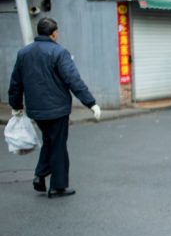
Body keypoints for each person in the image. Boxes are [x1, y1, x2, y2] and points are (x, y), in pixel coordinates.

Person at [7, 17, 101, 198]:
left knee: (50, 141)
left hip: (36, 110)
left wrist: (16, 105)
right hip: (57, 109)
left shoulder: (24, 53)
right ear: (54, 33)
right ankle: (57, 186)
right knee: (57, 145)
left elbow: (16, 82)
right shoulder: (59, 52)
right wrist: (91, 103)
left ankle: (40, 175)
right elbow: (73, 80)